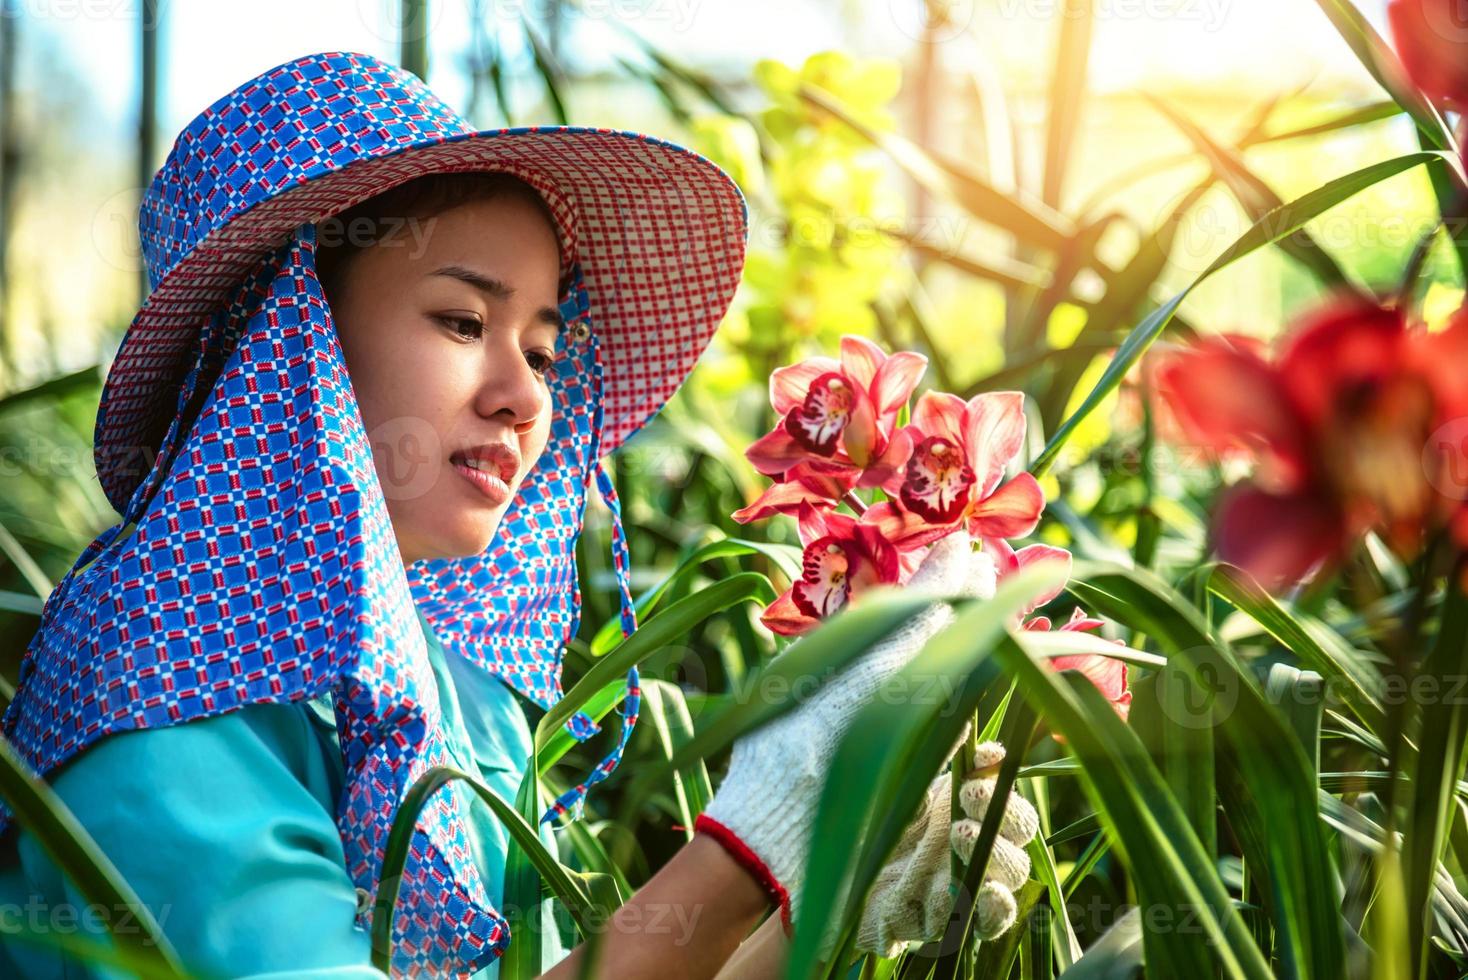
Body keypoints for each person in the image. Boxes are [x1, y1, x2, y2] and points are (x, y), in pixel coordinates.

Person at [0, 51, 1034, 979]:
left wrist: (819, 882)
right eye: (462, 319)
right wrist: (750, 837)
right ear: (284, 342)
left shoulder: (422, 678)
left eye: (543, 348)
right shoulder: (156, 679)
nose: (526, 395)